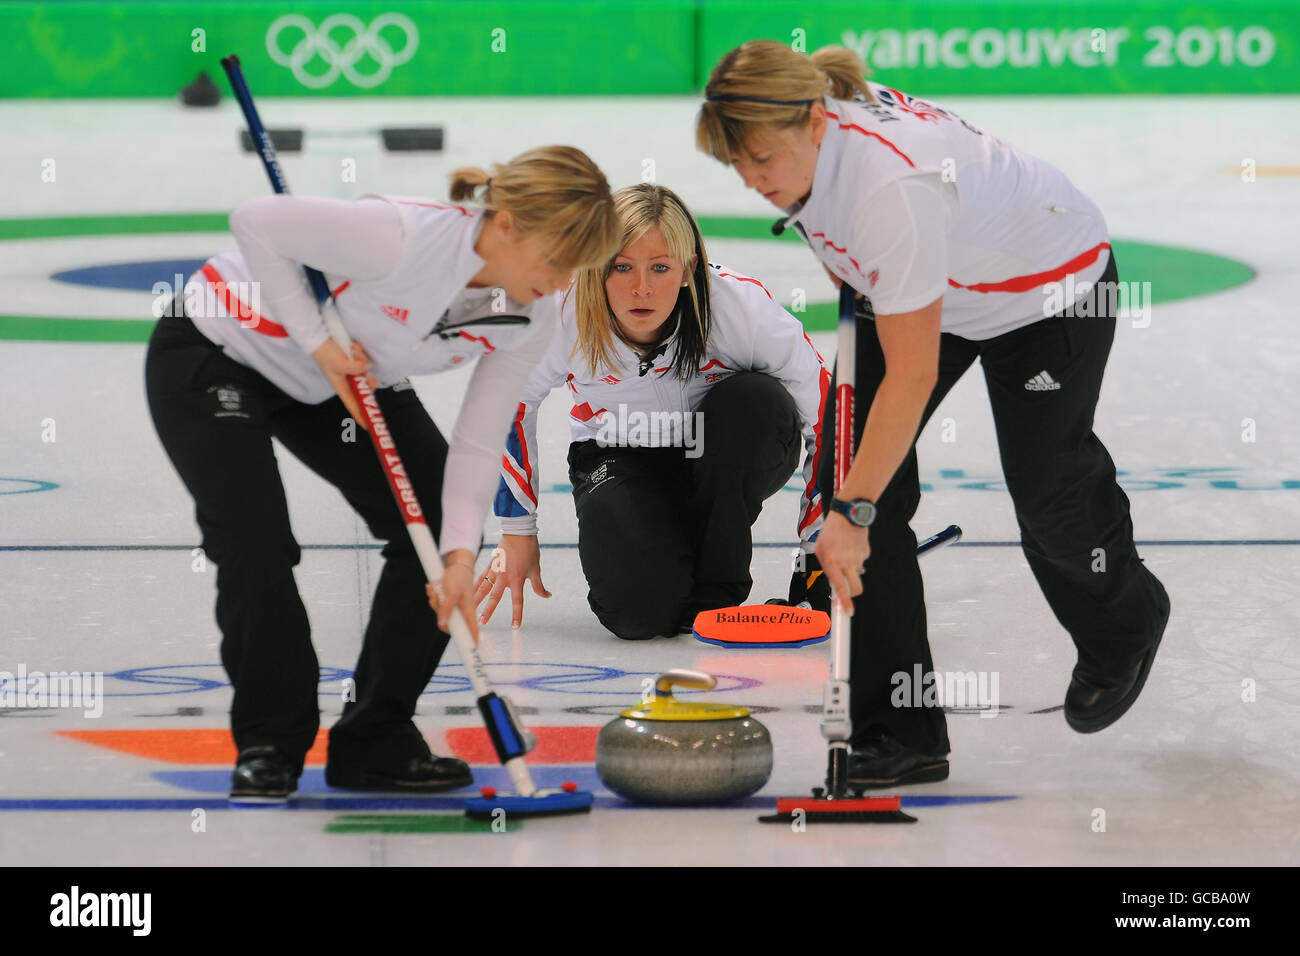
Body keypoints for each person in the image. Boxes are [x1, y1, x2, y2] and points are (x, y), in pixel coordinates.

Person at [696, 42, 1171, 785]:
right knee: (861, 496)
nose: (754, 181)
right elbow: (840, 243)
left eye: (761, 158)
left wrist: (853, 509)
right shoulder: (814, 151)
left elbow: (911, 375)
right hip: (931, 282)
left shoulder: (892, 185)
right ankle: (901, 733)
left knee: (1046, 490)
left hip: (1047, 293)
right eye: (738, 167)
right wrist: (853, 500)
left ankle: (1126, 621)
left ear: (816, 122)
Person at [144, 146, 619, 802]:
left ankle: (375, 738)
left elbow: (479, 443)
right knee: (254, 541)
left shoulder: (535, 311)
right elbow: (254, 219)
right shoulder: (399, 238)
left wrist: (456, 556)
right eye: (559, 261)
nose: (567, 282)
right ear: (506, 223)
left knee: (434, 533)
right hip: (220, 349)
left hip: (353, 374)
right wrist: (319, 345)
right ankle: (269, 742)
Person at [472, 183, 831, 639]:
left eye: (660, 268)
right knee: (638, 615)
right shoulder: (559, 311)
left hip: (722, 449)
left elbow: (829, 416)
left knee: (756, 402)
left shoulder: (740, 309)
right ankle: (664, 559)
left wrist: (819, 551)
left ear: (688, 269)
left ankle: (715, 592)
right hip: (618, 453)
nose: (641, 288)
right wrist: (517, 529)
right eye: (621, 267)